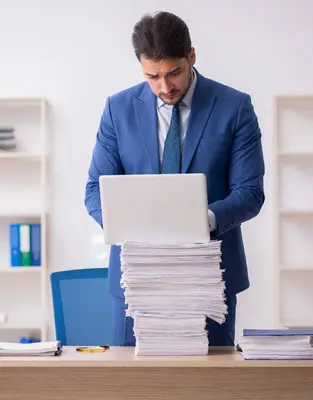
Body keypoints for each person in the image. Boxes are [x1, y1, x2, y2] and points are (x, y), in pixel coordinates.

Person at [84, 11, 265, 347]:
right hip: (135, 277)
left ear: (191, 56)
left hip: (208, 275)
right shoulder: (117, 109)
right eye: (152, 76)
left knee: (205, 387)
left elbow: (250, 192)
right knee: (131, 387)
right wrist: (122, 222)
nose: (164, 87)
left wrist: (198, 221)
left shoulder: (234, 107)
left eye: (173, 73)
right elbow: (95, 189)